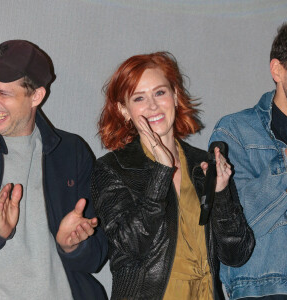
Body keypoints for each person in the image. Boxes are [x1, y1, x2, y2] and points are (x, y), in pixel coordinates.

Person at [90, 51, 255, 300]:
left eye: (160, 92)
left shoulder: (204, 164)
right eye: (139, 98)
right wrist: (161, 173)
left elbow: (236, 254)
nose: (153, 106)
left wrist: (221, 193)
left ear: (176, 96)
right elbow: (130, 246)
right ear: (124, 110)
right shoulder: (112, 168)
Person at [0, 40, 108, 300]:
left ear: (36, 96)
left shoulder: (71, 152)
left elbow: (96, 257)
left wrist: (73, 245)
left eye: (3, 93)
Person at [209, 21, 287, 300]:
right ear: (277, 70)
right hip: (266, 289)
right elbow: (235, 225)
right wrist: (286, 163)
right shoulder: (236, 131)